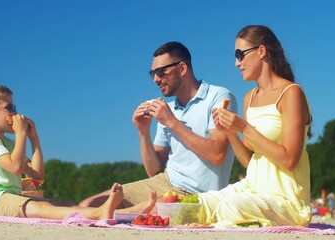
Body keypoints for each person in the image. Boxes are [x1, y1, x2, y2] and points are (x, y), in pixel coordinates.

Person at [79, 41, 237, 208]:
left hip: (198, 195)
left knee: (131, 213)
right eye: (152, 73)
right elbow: (154, 171)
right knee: (90, 204)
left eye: (161, 72)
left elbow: (217, 155)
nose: (156, 79)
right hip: (164, 183)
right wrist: (143, 132)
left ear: (182, 68)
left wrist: (171, 122)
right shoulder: (167, 109)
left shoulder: (219, 97)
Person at [0, 85, 155, 219]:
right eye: (10, 108)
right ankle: (98, 214)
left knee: (63, 204)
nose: (15, 113)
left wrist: (34, 138)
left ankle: (126, 213)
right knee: (43, 207)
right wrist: (21, 134)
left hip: (9, 197)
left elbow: (37, 177)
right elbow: (15, 167)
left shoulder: (6, 142)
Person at [204, 25, 312, 226]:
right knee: (201, 204)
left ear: (261, 51)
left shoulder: (291, 93)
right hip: (253, 191)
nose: (237, 63)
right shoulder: (249, 98)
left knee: (231, 206)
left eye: (240, 54)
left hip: (285, 201)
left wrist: (245, 128)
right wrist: (230, 132)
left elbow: (290, 160)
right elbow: (250, 161)